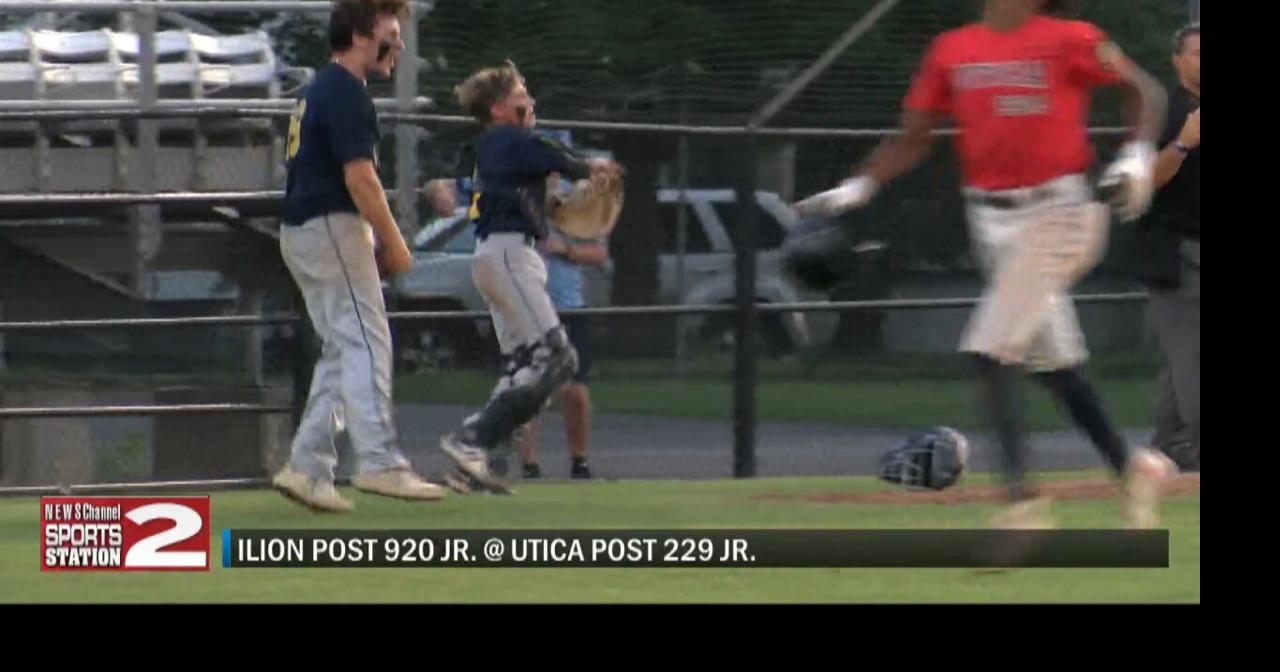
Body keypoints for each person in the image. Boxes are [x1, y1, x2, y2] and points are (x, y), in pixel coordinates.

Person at [795, 0, 1174, 528]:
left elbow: (1145, 92)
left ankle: (1022, 502)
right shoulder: (953, 49)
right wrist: (859, 186)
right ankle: (1131, 468)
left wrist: (1135, 156)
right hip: (991, 222)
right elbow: (914, 135)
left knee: (987, 351)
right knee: (1057, 366)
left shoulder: (1072, 37)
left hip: (1061, 211)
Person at [272, 0, 444, 512]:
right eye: (393, 30)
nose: (400, 43)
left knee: (342, 348)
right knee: (369, 341)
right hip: (331, 226)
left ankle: (307, 468)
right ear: (366, 32)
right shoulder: (348, 90)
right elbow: (360, 178)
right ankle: (381, 462)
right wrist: (393, 240)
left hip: (303, 230)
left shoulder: (317, 88)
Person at [431, 61, 622, 491]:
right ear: (498, 109)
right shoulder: (507, 138)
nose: (528, 100)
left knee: (521, 366)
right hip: (508, 256)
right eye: (520, 93)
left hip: (501, 256)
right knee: (558, 358)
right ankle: (473, 438)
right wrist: (591, 166)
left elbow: (522, 179)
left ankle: (476, 463)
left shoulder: (495, 147)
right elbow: (553, 154)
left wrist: (552, 202)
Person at [1131, 22, 1199, 471]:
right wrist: (1182, 143)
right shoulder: (1162, 111)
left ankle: (1166, 448)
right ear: (1177, 61)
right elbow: (1144, 183)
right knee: (1192, 353)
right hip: (1178, 248)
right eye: (1196, 52)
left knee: (1182, 360)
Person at [517, 175, 608, 480]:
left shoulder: (577, 210)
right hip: (530, 306)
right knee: (529, 386)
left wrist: (564, 250)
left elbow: (598, 254)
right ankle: (528, 463)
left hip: (570, 308)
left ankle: (579, 461)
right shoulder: (520, 202)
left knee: (576, 392)